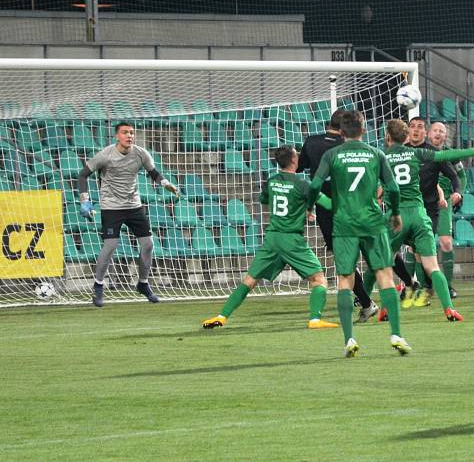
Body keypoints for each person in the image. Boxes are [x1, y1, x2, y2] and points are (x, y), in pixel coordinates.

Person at [307, 110, 409, 357]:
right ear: (364, 130)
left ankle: (349, 340)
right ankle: (396, 334)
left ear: (341, 132)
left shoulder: (332, 154)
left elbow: (314, 185)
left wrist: (312, 205)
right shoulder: (377, 154)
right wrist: (395, 212)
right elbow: (393, 188)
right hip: (373, 222)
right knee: (385, 275)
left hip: (344, 224)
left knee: (345, 279)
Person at [202, 146, 339, 330]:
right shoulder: (303, 184)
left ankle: (221, 316)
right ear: (293, 161)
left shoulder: (272, 181)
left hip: (272, 238)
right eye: (296, 155)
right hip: (292, 240)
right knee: (319, 279)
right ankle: (315, 319)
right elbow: (329, 204)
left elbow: (264, 199)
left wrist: (299, 208)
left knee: (250, 280)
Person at [365, 119, 474, 321]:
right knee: (432, 266)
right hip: (419, 213)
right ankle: (449, 309)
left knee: (382, 264)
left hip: (395, 216)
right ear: (406, 136)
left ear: (388, 136)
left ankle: (378, 307)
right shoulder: (417, 153)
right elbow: (445, 155)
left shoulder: (382, 156)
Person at [78, 121, 180, 307]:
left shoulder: (141, 154)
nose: (129, 136)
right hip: (111, 207)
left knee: (148, 244)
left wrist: (166, 184)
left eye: (132, 133)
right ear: (117, 136)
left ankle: (143, 283)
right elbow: (83, 174)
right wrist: (84, 200)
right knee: (110, 245)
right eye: (125, 132)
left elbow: (154, 173)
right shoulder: (105, 155)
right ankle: (98, 286)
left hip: (134, 205)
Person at [298, 108, 380, 322]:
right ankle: (403, 288)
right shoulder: (355, 148)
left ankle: (367, 303)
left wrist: (308, 205)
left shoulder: (312, 142)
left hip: (328, 211)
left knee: (345, 263)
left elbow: (301, 168)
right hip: (359, 207)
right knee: (377, 255)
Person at [403, 116, 463, 306]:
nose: (416, 130)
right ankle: (417, 287)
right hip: (408, 208)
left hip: (430, 210)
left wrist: (457, 192)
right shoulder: (400, 153)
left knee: (423, 250)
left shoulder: (435, 154)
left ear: (424, 132)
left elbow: (454, 176)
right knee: (414, 251)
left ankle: (425, 289)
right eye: (412, 126)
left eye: (420, 127)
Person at [429, 121, 467, 298]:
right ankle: (422, 286)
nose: (438, 134)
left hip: (443, 204)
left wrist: (459, 193)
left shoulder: (451, 155)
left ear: (445, 136)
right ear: (429, 133)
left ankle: (449, 285)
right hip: (422, 202)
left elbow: (461, 176)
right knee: (417, 247)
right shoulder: (421, 152)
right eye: (435, 130)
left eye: (441, 131)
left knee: (446, 243)